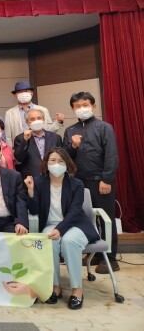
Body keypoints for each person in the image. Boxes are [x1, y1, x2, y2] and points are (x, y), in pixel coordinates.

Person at [24, 147, 100, 310]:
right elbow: (34, 210)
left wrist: (61, 229)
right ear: (46, 163)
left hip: (74, 224)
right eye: (52, 160)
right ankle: (55, 287)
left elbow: (75, 210)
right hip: (49, 225)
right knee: (49, 242)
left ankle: (77, 289)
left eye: (61, 161)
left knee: (69, 241)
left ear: (67, 164)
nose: (56, 164)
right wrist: (30, 190)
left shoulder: (76, 184)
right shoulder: (39, 182)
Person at [63, 92, 119, 273]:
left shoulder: (104, 127)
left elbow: (111, 155)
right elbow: (64, 157)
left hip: (100, 181)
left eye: (85, 105)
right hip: (78, 182)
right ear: (73, 109)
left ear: (93, 106)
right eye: (77, 106)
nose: (82, 109)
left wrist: (106, 179)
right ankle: (94, 253)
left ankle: (110, 258)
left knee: (105, 218)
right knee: (85, 218)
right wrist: (72, 146)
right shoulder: (70, 130)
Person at [4, 81, 64, 148]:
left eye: (26, 91)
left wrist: (58, 122)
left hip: (41, 146)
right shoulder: (9, 113)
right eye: (20, 92)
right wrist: (11, 152)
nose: (23, 94)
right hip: (21, 148)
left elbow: (48, 130)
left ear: (32, 93)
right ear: (15, 95)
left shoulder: (43, 110)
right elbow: (8, 136)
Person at [14, 109, 62, 178]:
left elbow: (61, 158)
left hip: (52, 177)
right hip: (31, 178)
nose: (36, 121)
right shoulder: (20, 138)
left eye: (39, 118)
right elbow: (19, 158)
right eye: (32, 119)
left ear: (43, 119)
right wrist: (25, 140)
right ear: (27, 122)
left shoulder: (55, 137)